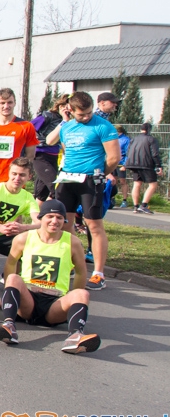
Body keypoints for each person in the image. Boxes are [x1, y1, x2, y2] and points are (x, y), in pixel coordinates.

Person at [0, 200, 100, 354]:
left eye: (59, 217)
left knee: (82, 294)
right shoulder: (24, 238)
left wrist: (74, 300)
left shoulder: (73, 242)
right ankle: (9, 326)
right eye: (50, 216)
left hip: (54, 304)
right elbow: (11, 264)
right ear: (41, 218)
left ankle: (76, 336)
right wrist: (8, 295)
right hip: (28, 300)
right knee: (13, 278)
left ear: (64, 220)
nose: (54, 221)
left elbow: (81, 272)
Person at [46, 92, 121, 290]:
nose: (86, 117)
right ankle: (71, 264)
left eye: (88, 113)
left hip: (91, 180)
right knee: (64, 224)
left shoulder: (103, 126)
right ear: (71, 110)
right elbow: (62, 148)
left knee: (94, 226)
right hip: (67, 179)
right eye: (81, 115)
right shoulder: (67, 127)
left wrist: (99, 174)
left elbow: (114, 157)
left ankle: (98, 274)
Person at [0, 88, 37, 189]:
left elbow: (30, 156)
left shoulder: (26, 126)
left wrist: (21, 177)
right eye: (2, 103)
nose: (6, 106)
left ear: (15, 103)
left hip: (13, 184)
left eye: (10, 102)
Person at [30, 94, 68, 201]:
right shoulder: (48, 116)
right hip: (41, 155)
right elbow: (29, 128)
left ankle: (37, 216)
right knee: (56, 187)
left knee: (43, 193)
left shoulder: (69, 121)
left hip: (54, 156)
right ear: (61, 106)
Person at [126, 122, 163, 214]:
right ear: (149, 129)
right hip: (146, 164)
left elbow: (128, 151)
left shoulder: (134, 139)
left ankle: (135, 206)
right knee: (153, 184)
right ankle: (144, 205)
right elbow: (155, 154)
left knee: (137, 183)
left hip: (133, 164)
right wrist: (158, 165)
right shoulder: (151, 139)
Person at [115, 125, 131, 208]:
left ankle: (124, 200)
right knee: (112, 181)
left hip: (121, 163)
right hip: (112, 163)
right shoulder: (113, 138)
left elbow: (128, 153)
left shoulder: (126, 139)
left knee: (122, 182)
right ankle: (111, 198)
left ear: (119, 131)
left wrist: (125, 165)